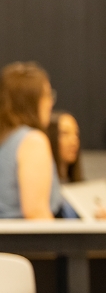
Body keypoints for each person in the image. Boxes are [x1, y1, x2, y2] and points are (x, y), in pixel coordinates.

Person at [0, 62, 61, 220]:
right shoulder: (32, 141)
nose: (51, 103)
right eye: (47, 95)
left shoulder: (6, 140)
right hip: (22, 243)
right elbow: (36, 213)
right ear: (31, 101)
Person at [47, 111, 84, 183]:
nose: (74, 141)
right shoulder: (44, 185)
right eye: (65, 133)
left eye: (76, 134)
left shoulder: (82, 186)